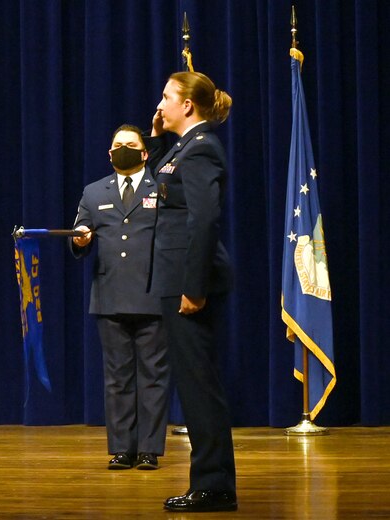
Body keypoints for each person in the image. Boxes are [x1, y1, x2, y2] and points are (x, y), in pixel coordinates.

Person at [150, 71, 237, 512]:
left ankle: (214, 485)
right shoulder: (184, 147)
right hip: (176, 278)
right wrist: (159, 140)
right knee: (192, 382)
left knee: (200, 385)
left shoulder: (202, 149)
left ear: (188, 105)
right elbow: (163, 190)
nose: (160, 103)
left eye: (167, 97)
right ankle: (212, 480)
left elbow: (204, 221)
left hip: (189, 281)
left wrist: (194, 287)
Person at [70, 124, 169, 471]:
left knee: (153, 376)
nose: (122, 149)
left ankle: (148, 449)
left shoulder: (161, 186)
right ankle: (123, 448)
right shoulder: (94, 191)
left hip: (152, 295)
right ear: (109, 154)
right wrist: (79, 239)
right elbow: (79, 231)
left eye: (130, 144)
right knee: (117, 378)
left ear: (144, 153)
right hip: (110, 297)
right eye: (117, 145)